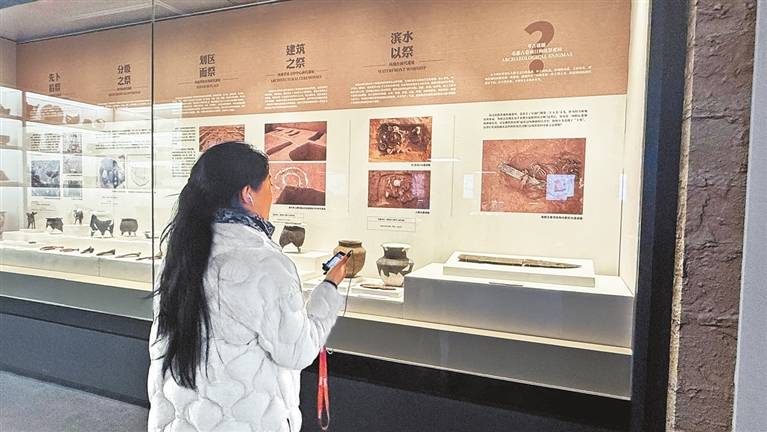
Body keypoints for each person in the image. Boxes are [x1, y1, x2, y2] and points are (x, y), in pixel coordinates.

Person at [147, 141, 348, 432]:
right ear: (247, 194)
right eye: (269, 184)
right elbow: (298, 350)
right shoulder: (266, 264)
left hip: (181, 421)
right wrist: (329, 288)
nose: (273, 193)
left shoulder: (179, 254)